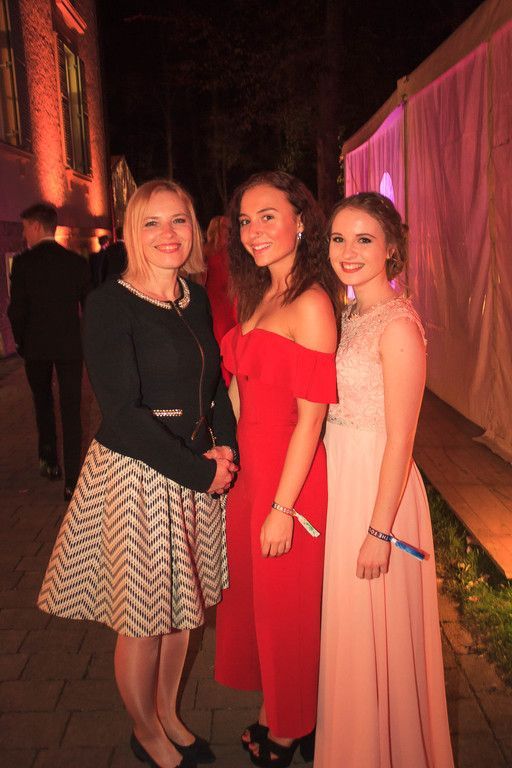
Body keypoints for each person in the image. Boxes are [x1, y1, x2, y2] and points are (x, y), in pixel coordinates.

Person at [37, 180, 239, 768]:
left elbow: (212, 383)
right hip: (140, 477)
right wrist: (200, 473)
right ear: (131, 232)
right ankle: (145, 730)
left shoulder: (193, 297)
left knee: (183, 614)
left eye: (179, 220)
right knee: (145, 620)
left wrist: (225, 444)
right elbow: (122, 415)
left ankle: (169, 713)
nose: (168, 234)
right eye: (152, 222)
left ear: (194, 228)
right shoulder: (111, 304)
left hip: (196, 470)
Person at [315, 192, 454, 768]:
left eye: (364, 239)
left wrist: (379, 531)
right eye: (339, 238)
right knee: (351, 635)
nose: (348, 251)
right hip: (342, 477)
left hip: (378, 491)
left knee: (376, 633)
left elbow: (402, 438)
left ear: (392, 247)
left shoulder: (398, 325)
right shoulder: (349, 314)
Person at [214, 171, 339, 768]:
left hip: (290, 477)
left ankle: (289, 731)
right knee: (261, 604)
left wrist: (282, 507)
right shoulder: (259, 293)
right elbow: (241, 390)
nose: (253, 230)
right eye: (246, 219)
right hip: (253, 472)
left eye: (268, 216)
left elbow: (311, 420)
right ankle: (279, 709)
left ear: (301, 222)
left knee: (287, 607)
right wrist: (220, 455)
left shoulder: (311, 302)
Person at [7, 202, 89, 500]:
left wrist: (20, 342)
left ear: (36, 226)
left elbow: (17, 310)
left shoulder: (23, 264)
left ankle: (50, 460)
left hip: (36, 346)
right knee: (71, 409)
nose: (24, 234)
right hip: (70, 345)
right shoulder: (75, 262)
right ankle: (72, 479)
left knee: (42, 402)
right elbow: (89, 307)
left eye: (25, 228)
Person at [204, 215, 236, 359]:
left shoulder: (233, 251)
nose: (228, 231)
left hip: (230, 297)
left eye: (230, 228)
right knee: (220, 331)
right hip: (215, 297)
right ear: (216, 228)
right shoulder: (207, 249)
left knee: (232, 330)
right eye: (225, 227)